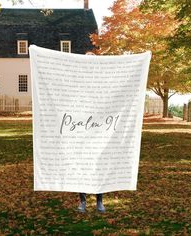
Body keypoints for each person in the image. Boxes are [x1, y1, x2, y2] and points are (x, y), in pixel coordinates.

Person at [77, 51, 106, 213]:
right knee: (81, 167)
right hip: (80, 131)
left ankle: (99, 201)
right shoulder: (78, 83)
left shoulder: (100, 84)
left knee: (98, 167)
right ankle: (82, 201)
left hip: (98, 132)